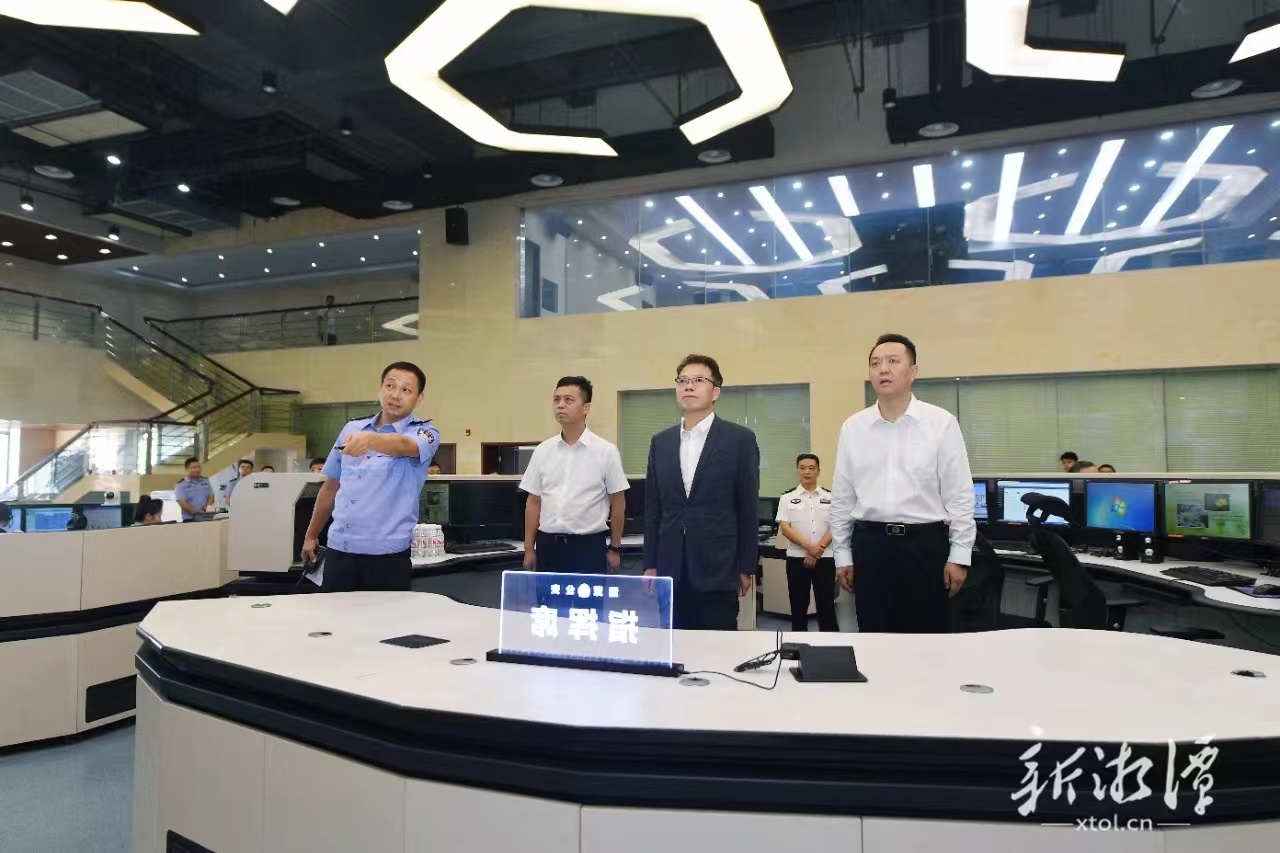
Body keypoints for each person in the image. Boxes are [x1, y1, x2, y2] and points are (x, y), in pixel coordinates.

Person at [830, 333, 975, 634]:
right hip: (871, 547)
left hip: (925, 547)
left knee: (926, 640)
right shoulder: (853, 428)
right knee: (874, 638)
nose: (883, 369)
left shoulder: (941, 423)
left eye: (893, 361)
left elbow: (959, 494)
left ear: (913, 371)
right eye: (875, 363)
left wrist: (960, 554)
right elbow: (843, 497)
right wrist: (841, 554)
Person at [644, 354, 760, 631]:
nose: (688, 386)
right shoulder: (661, 442)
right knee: (674, 644)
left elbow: (747, 508)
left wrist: (746, 566)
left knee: (716, 646)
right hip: (670, 568)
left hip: (718, 567)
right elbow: (653, 507)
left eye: (698, 380)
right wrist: (651, 563)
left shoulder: (739, 439)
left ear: (715, 392)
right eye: (682, 381)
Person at [302, 361, 440, 591]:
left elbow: (405, 445)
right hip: (339, 549)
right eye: (390, 386)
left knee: (386, 615)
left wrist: (370, 440)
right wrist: (311, 535)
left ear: (419, 398)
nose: (395, 395)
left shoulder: (425, 433)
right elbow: (331, 487)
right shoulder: (352, 429)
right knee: (334, 613)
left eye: (406, 390)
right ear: (380, 388)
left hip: (387, 556)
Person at [519, 376, 628, 574]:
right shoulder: (543, 450)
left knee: (589, 596)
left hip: (588, 547)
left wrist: (615, 547)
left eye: (568, 400)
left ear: (586, 408)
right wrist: (528, 549)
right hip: (548, 546)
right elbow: (533, 502)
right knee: (547, 596)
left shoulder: (606, 451)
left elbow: (618, 502)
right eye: (556, 399)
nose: (560, 405)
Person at [776, 454, 838, 633]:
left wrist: (818, 549)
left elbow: (835, 525)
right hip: (797, 559)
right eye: (802, 468)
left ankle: (830, 645)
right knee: (798, 607)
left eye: (811, 468)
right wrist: (811, 549)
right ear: (797, 471)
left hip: (825, 558)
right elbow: (785, 529)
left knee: (827, 607)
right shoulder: (787, 498)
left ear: (818, 471)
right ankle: (798, 645)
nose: (807, 472)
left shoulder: (830, 496)